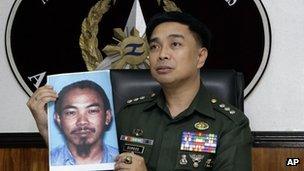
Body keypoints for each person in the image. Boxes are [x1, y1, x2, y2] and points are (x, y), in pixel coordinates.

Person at [27, 11, 252, 170]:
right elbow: (91, 165)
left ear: (200, 56)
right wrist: (50, 132)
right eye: (154, 46)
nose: (162, 54)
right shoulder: (130, 114)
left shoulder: (230, 125)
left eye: (175, 44)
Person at [31, 80, 118, 165]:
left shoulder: (120, 158)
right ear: (58, 119)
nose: (82, 121)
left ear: (107, 116)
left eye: (92, 111)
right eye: (71, 112)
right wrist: (45, 129)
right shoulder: (55, 159)